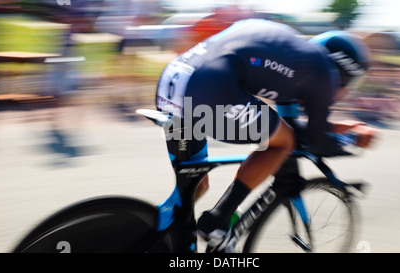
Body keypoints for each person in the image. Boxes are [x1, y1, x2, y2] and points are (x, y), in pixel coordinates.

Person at [155, 19, 376, 252]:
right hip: (210, 91)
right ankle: (217, 221)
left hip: (174, 82)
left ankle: (151, 229)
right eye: (351, 84)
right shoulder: (324, 73)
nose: (344, 92)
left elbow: (296, 127)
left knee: (195, 185)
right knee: (283, 143)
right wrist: (354, 139)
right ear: (343, 73)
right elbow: (316, 143)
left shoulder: (297, 59)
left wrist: (335, 127)